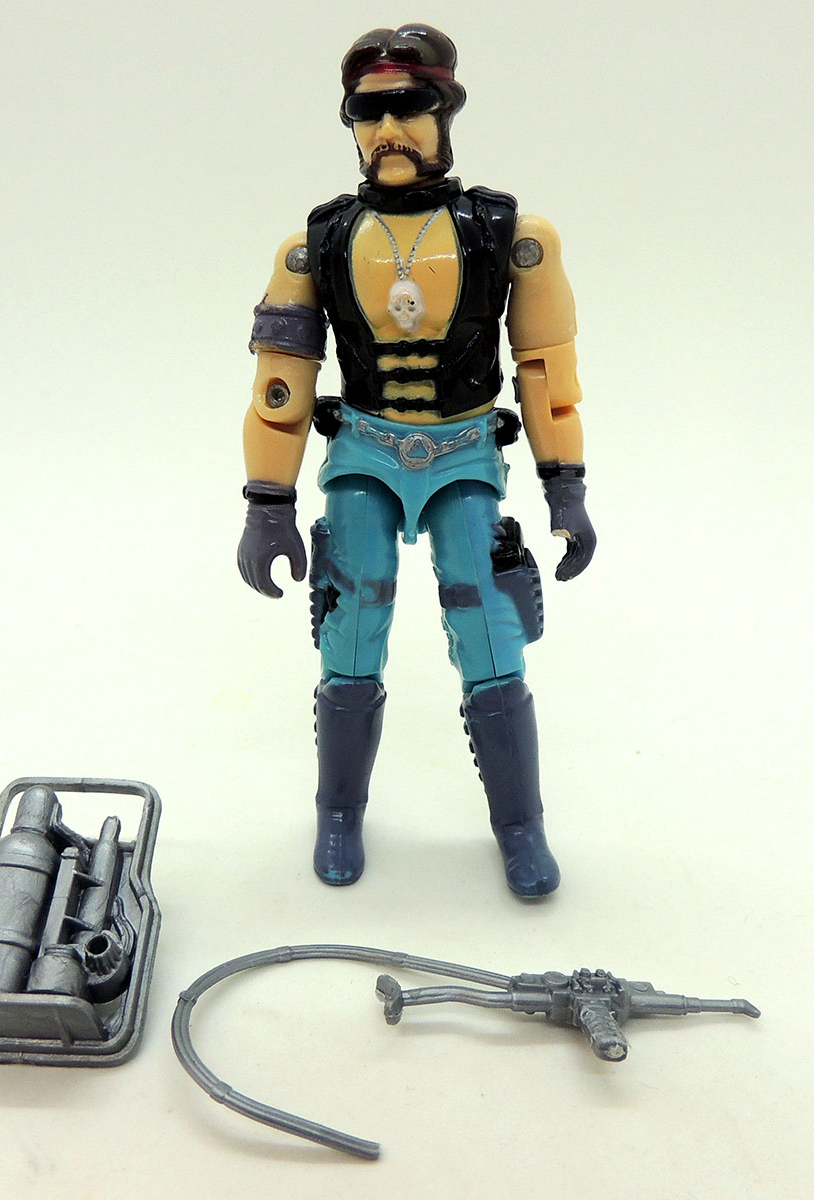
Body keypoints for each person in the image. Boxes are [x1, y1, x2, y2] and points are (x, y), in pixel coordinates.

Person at [237, 24, 595, 897]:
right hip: (363, 453)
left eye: (410, 106)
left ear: (445, 111)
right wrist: (267, 503)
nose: (389, 128)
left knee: (490, 632)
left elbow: (545, 372)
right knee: (351, 630)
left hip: (464, 455)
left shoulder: (506, 234)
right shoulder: (317, 242)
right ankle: (338, 813)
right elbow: (281, 383)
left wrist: (565, 486)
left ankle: (519, 826)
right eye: (370, 112)